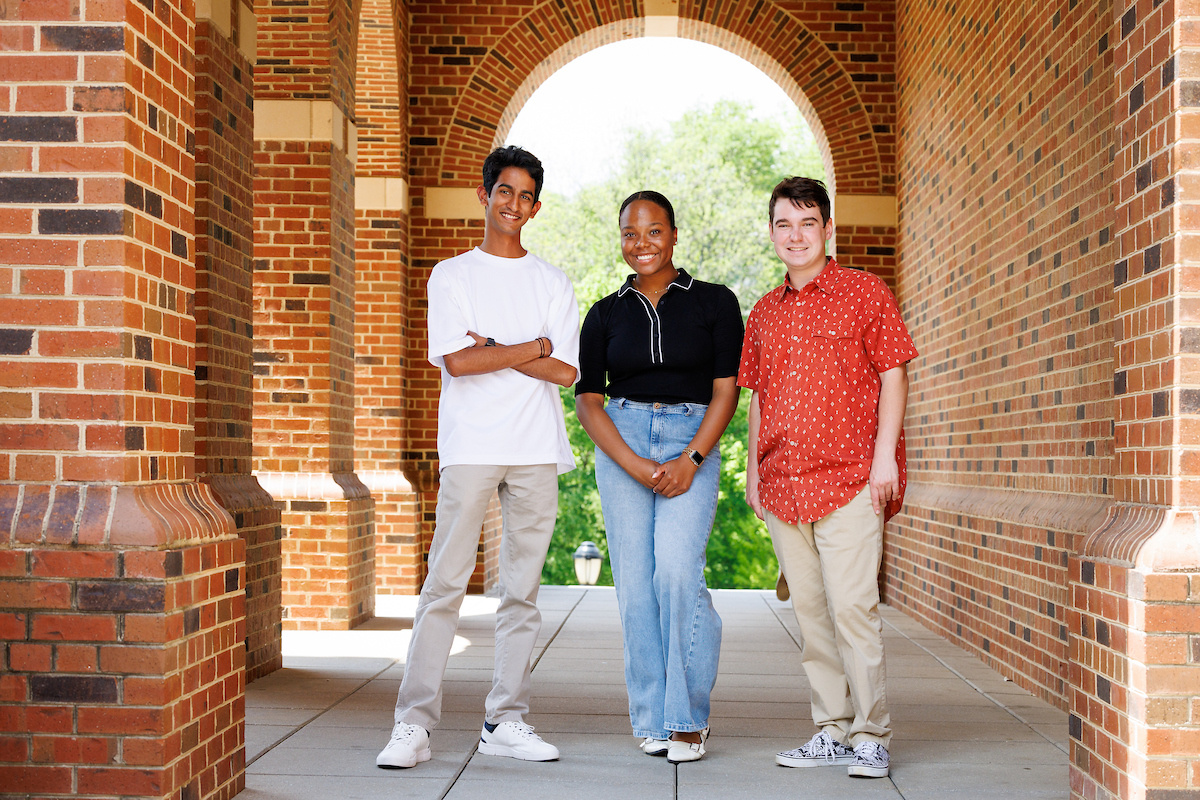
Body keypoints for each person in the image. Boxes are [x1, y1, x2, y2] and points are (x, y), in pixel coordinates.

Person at [376, 145, 580, 769]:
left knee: (522, 593)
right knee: (443, 586)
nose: (514, 204)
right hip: (469, 450)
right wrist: (528, 346)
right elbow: (459, 362)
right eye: (505, 192)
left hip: (536, 451)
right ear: (485, 195)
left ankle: (507, 718)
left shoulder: (552, 280)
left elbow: (566, 370)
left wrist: (498, 345)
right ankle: (412, 723)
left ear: (536, 207)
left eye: (525, 196)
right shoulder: (452, 275)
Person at [738, 177, 917, 779]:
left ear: (827, 230)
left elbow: (893, 376)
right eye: (783, 224)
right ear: (771, 233)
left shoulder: (865, 294)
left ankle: (872, 733)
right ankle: (831, 728)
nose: (795, 235)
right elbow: (757, 396)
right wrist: (751, 471)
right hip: (785, 485)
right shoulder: (764, 311)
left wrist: (885, 459)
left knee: (854, 610)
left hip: (850, 481)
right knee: (811, 616)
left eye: (807, 222)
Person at [575, 191, 743, 764]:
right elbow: (589, 403)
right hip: (622, 444)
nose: (640, 244)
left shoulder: (715, 303)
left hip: (693, 438)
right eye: (629, 233)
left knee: (676, 572)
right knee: (634, 588)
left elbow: (727, 391)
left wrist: (690, 460)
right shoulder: (603, 314)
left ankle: (688, 718)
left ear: (673, 235)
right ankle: (651, 719)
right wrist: (637, 465)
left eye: (652, 232)